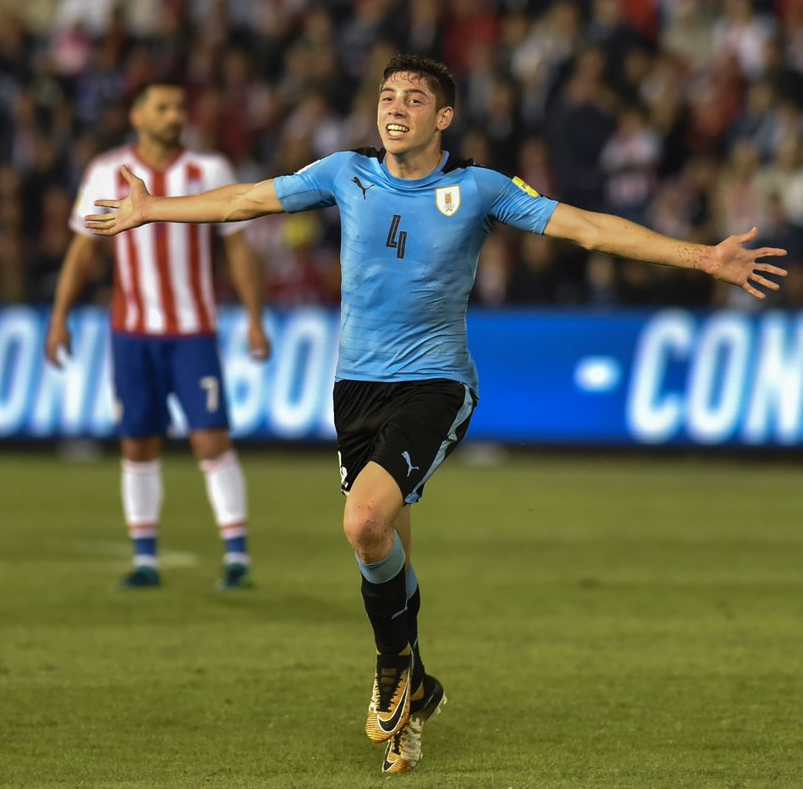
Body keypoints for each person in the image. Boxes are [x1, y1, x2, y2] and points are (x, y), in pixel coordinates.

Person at [82, 54, 788, 773]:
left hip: (435, 385)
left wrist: (703, 258)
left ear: (444, 117)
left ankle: (393, 668)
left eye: (414, 99)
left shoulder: (478, 188)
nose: (395, 107)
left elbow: (587, 229)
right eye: (387, 95)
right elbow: (245, 201)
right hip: (355, 390)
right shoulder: (345, 173)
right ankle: (415, 695)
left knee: (364, 522)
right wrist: (152, 210)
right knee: (384, 546)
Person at [45, 80, 271, 591]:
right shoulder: (105, 170)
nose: (174, 115)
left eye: (179, 107)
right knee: (138, 444)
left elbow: (237, 248)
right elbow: (83, 250)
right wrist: (60, 316)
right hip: (132, 333)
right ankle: (145, 560)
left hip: (193, 331)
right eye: (163, 107)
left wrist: (254, 316)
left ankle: (237, 556)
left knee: (210, 439)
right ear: (138, 116)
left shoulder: (209, 170)